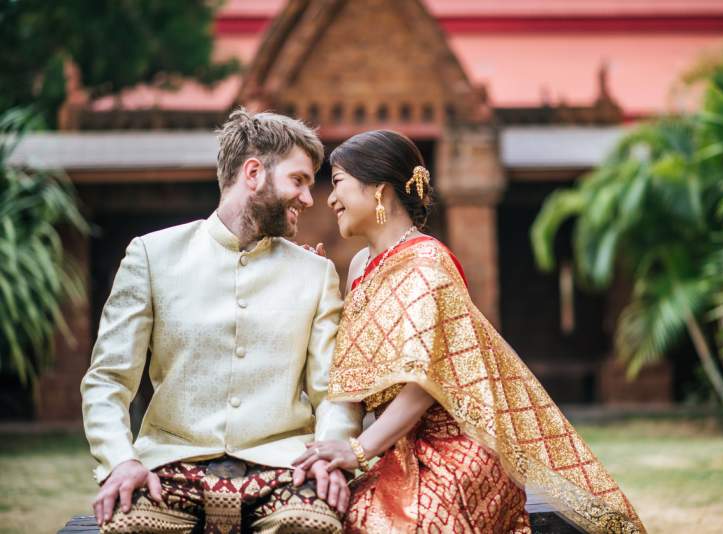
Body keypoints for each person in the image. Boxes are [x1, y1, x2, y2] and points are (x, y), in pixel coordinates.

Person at [291, 130, 647, 533]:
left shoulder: (428, 265)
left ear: (379, 189)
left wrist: (359, 450)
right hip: (400, 449)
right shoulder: (359, 266)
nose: (330, 199)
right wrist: (303, 281)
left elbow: (424, 383)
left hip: (457, 448)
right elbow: (350, 361)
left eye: (337, 183)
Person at [80, 108, 362, 533]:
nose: (309, 198)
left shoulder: (316, 274)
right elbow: (108, 380)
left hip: (286, 467)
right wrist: (120, 460)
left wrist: (329, 453)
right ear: (253, 173)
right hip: (169, 463)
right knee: (128, 526)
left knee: (313, 524)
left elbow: (332, 391)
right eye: (298, 180)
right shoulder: (152, 256)